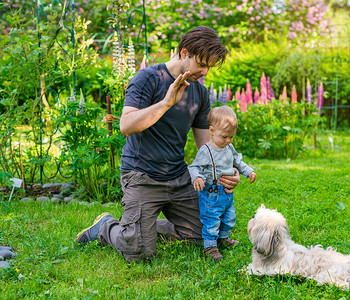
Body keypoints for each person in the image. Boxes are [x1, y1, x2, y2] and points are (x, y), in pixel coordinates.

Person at [74, 26, 240, 263]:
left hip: (178, 177)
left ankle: (142, 228)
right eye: (201, 64)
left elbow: (208, 147)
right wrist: (166, 103)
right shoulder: (148, 79)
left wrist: (227, 170)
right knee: (139, 252)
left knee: (202, 235)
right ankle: (105, 226)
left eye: (209, 67)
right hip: (142, 175)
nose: (204, 72)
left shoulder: (200, 93)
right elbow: (126, 125)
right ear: (184, 53)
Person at [188, 106, 256, 261]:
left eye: (231, 137)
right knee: (211, 219)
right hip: (211, 194)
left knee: (229, 217)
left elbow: (238, 162)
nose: (228, 140)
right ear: (212, 130)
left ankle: (223, 238)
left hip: (226, 193)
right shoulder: (206, 151)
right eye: (224, 137)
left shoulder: (228, 147)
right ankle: (210, 246)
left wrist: (249, 172)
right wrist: (197, 178)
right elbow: (194, 167)